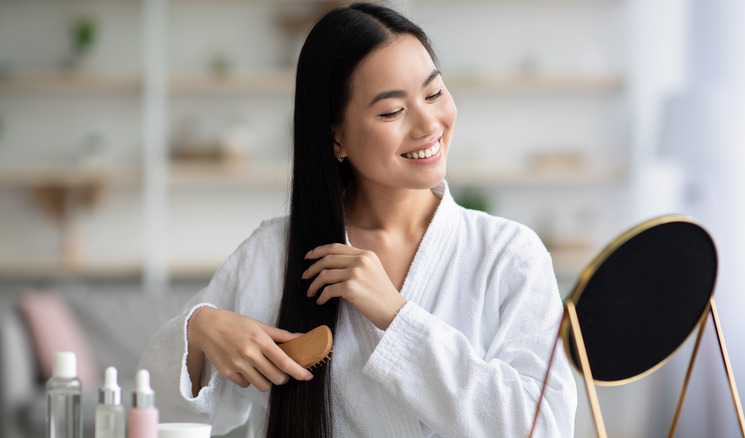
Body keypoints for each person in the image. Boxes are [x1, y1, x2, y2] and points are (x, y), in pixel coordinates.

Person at [139, 3, 577, 437]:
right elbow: (156, 410)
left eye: (434, 93)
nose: (428, 124)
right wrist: (198, 331)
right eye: (391, 112)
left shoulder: (511, 255)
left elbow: (544, 426)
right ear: (337, 137)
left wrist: (395, 315)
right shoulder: (275, 254)